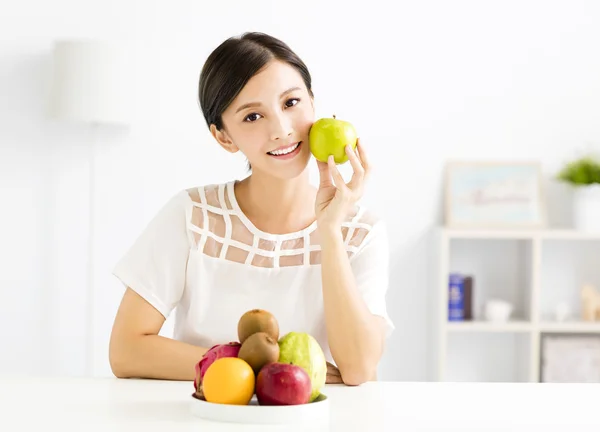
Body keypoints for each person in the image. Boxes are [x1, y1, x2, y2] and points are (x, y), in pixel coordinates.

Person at [108, 32, 394, 386]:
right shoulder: (193, 215)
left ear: (313, 104)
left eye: (291, 103)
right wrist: (269, 371)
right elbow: (126, 350)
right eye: (253, 116)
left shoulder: (361, 231)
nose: (282, 130)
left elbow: (359, 370)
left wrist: (331, 231)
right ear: (224, 137)